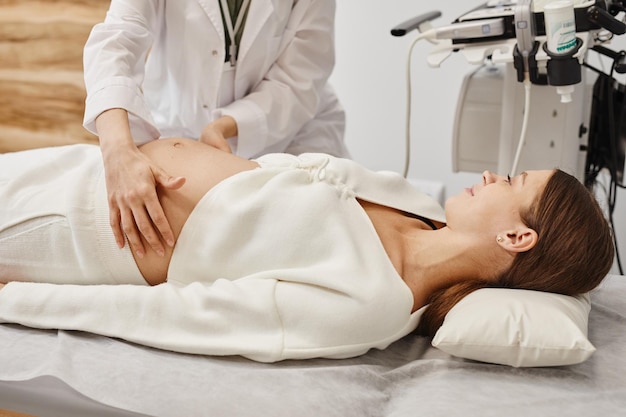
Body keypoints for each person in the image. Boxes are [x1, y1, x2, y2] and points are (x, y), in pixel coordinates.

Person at [0, 138, 614, 362]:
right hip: (94, 171)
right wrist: (224, 153)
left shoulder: (368, 302)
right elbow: (289, 185)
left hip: (75, 226)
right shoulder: (416, 212)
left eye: (512, 184)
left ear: (517, 238)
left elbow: (174, 316)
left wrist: (20, 300)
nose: (493, 176)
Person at [82, 0, 349, 261]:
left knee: (320, 239)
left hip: (294, 128)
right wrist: (116, 150)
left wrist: (227, 124)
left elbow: (297, 77)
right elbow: (118, 38)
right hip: (180, 120)